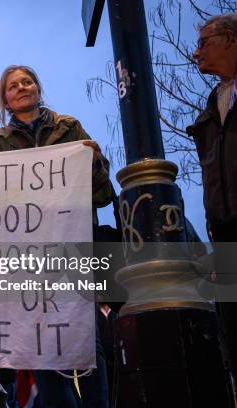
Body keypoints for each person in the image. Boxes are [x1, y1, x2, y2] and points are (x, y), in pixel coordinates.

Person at [0, 65, 113, 408]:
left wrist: (96, 161)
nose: (21, 87)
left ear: (38, 89)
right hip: (28, 254)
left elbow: (101, 194)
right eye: (13, 86)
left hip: (73, 246)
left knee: (86, 337)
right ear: (6, 100)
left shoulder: (68, 127)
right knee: (39, 339)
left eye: (27, 82)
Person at [188, 13, 237, 380]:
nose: (196, 52)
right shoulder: (212, 105)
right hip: (225, 237)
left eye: (204, 42)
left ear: (231, 39)